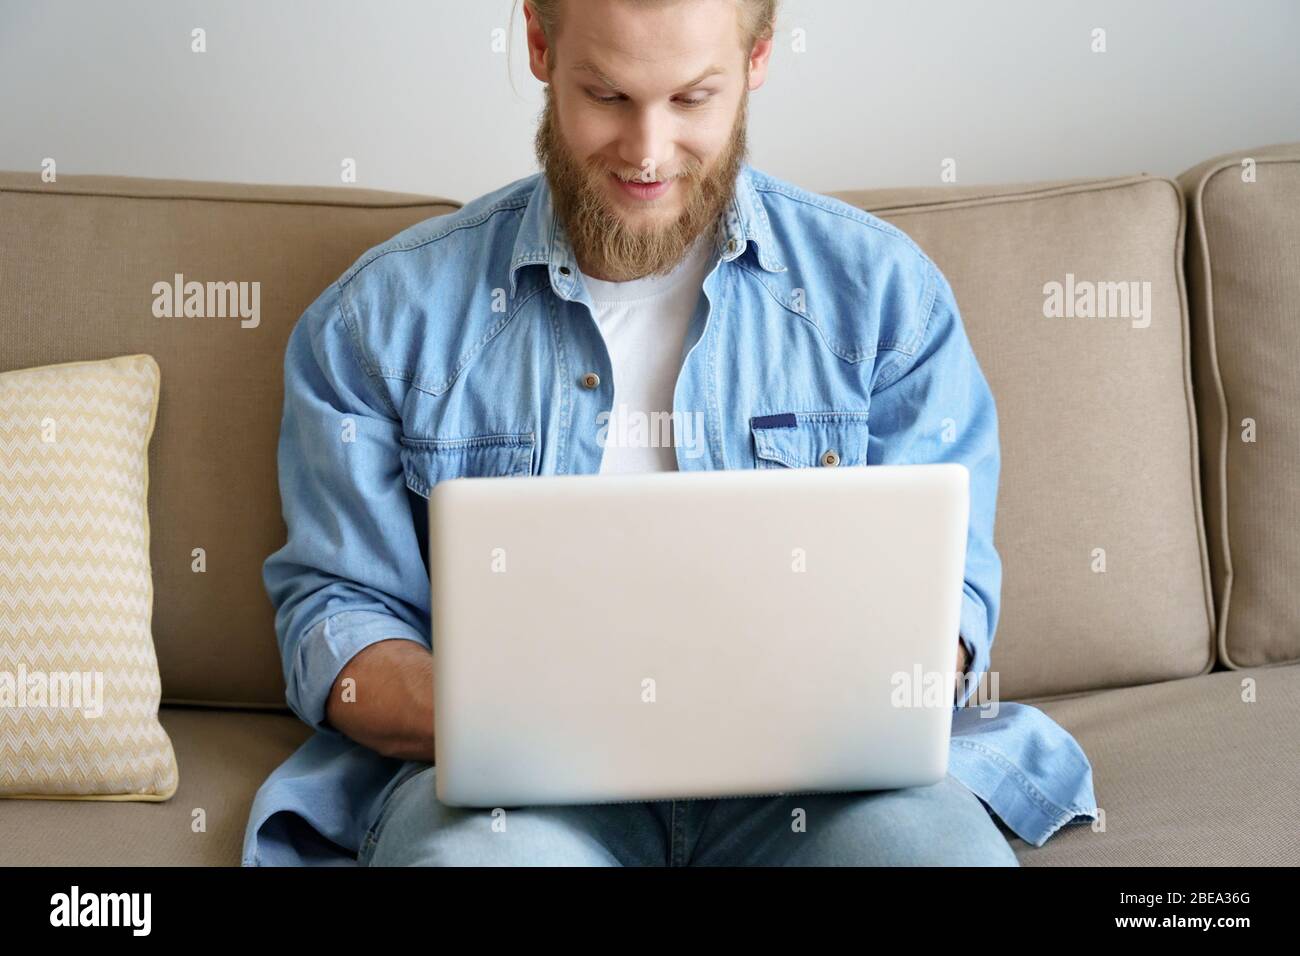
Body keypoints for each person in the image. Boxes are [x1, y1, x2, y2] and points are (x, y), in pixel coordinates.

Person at [243, 0, 1096, 866]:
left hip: (824, 791)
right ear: (540, 45)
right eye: (607, 95)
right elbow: (336, 620)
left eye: (692, 100)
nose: (646, 154)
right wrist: (513, 717)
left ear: (758, 58)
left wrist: (881, 686)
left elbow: (951, 601)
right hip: (517, 801)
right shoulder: (380, 319)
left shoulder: (885, 299)